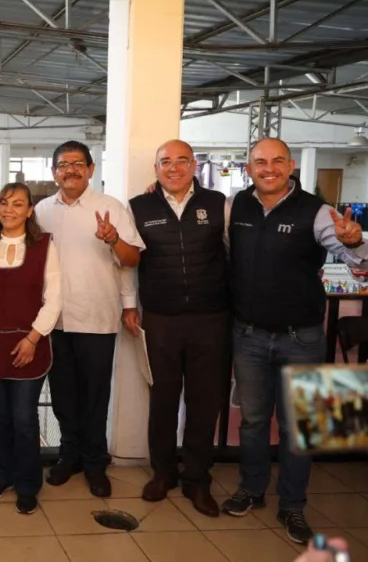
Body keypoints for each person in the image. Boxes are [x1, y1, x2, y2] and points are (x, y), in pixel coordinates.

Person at [222, 137, 368, 544]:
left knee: (299, 427)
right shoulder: (237, 206)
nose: (268, 168)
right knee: (253, 422)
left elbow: (358, 258)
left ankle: (293, 505)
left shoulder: (316, 211)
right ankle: (251, 490)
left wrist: (355, 241)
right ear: (249, 168)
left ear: (290, 166)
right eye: (260, 162)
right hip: (248, 335)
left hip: (301, 338)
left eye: (277, 161)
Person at [119, 140, 230, 517]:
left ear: (194, 165)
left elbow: (233, 253)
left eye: (182, 161)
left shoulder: (218, 204)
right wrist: (129, 305)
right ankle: (163, 472)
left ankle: (197, 479)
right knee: (163, 399)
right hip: (160, 318)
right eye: (165, 161)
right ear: (156, 168)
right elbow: (129, 262)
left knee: (204, 402)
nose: (174, 168)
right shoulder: (139, 206)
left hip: (210, 319)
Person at [33, 140, 144, 498]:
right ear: (54, 172)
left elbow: (132, 260)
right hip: (54, 321)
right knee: (63, 394)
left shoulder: (111, 207)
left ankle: (96, 463)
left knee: (95, 396)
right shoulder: (41, 211)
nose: (71, 170)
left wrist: (113, 239)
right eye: (63, 165)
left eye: (78, 164)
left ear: (91, 169)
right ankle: (69, 456)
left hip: (97, 317)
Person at [0, 182, 61, 515]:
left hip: (28, 344)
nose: (9, 210)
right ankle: (2, 473)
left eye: (18, 204)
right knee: (0, 415)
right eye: (4, 203)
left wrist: (33, 338)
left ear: (30, 211)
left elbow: (54, 298)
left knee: (24, 418)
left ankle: (28, 482)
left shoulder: (45, 246)